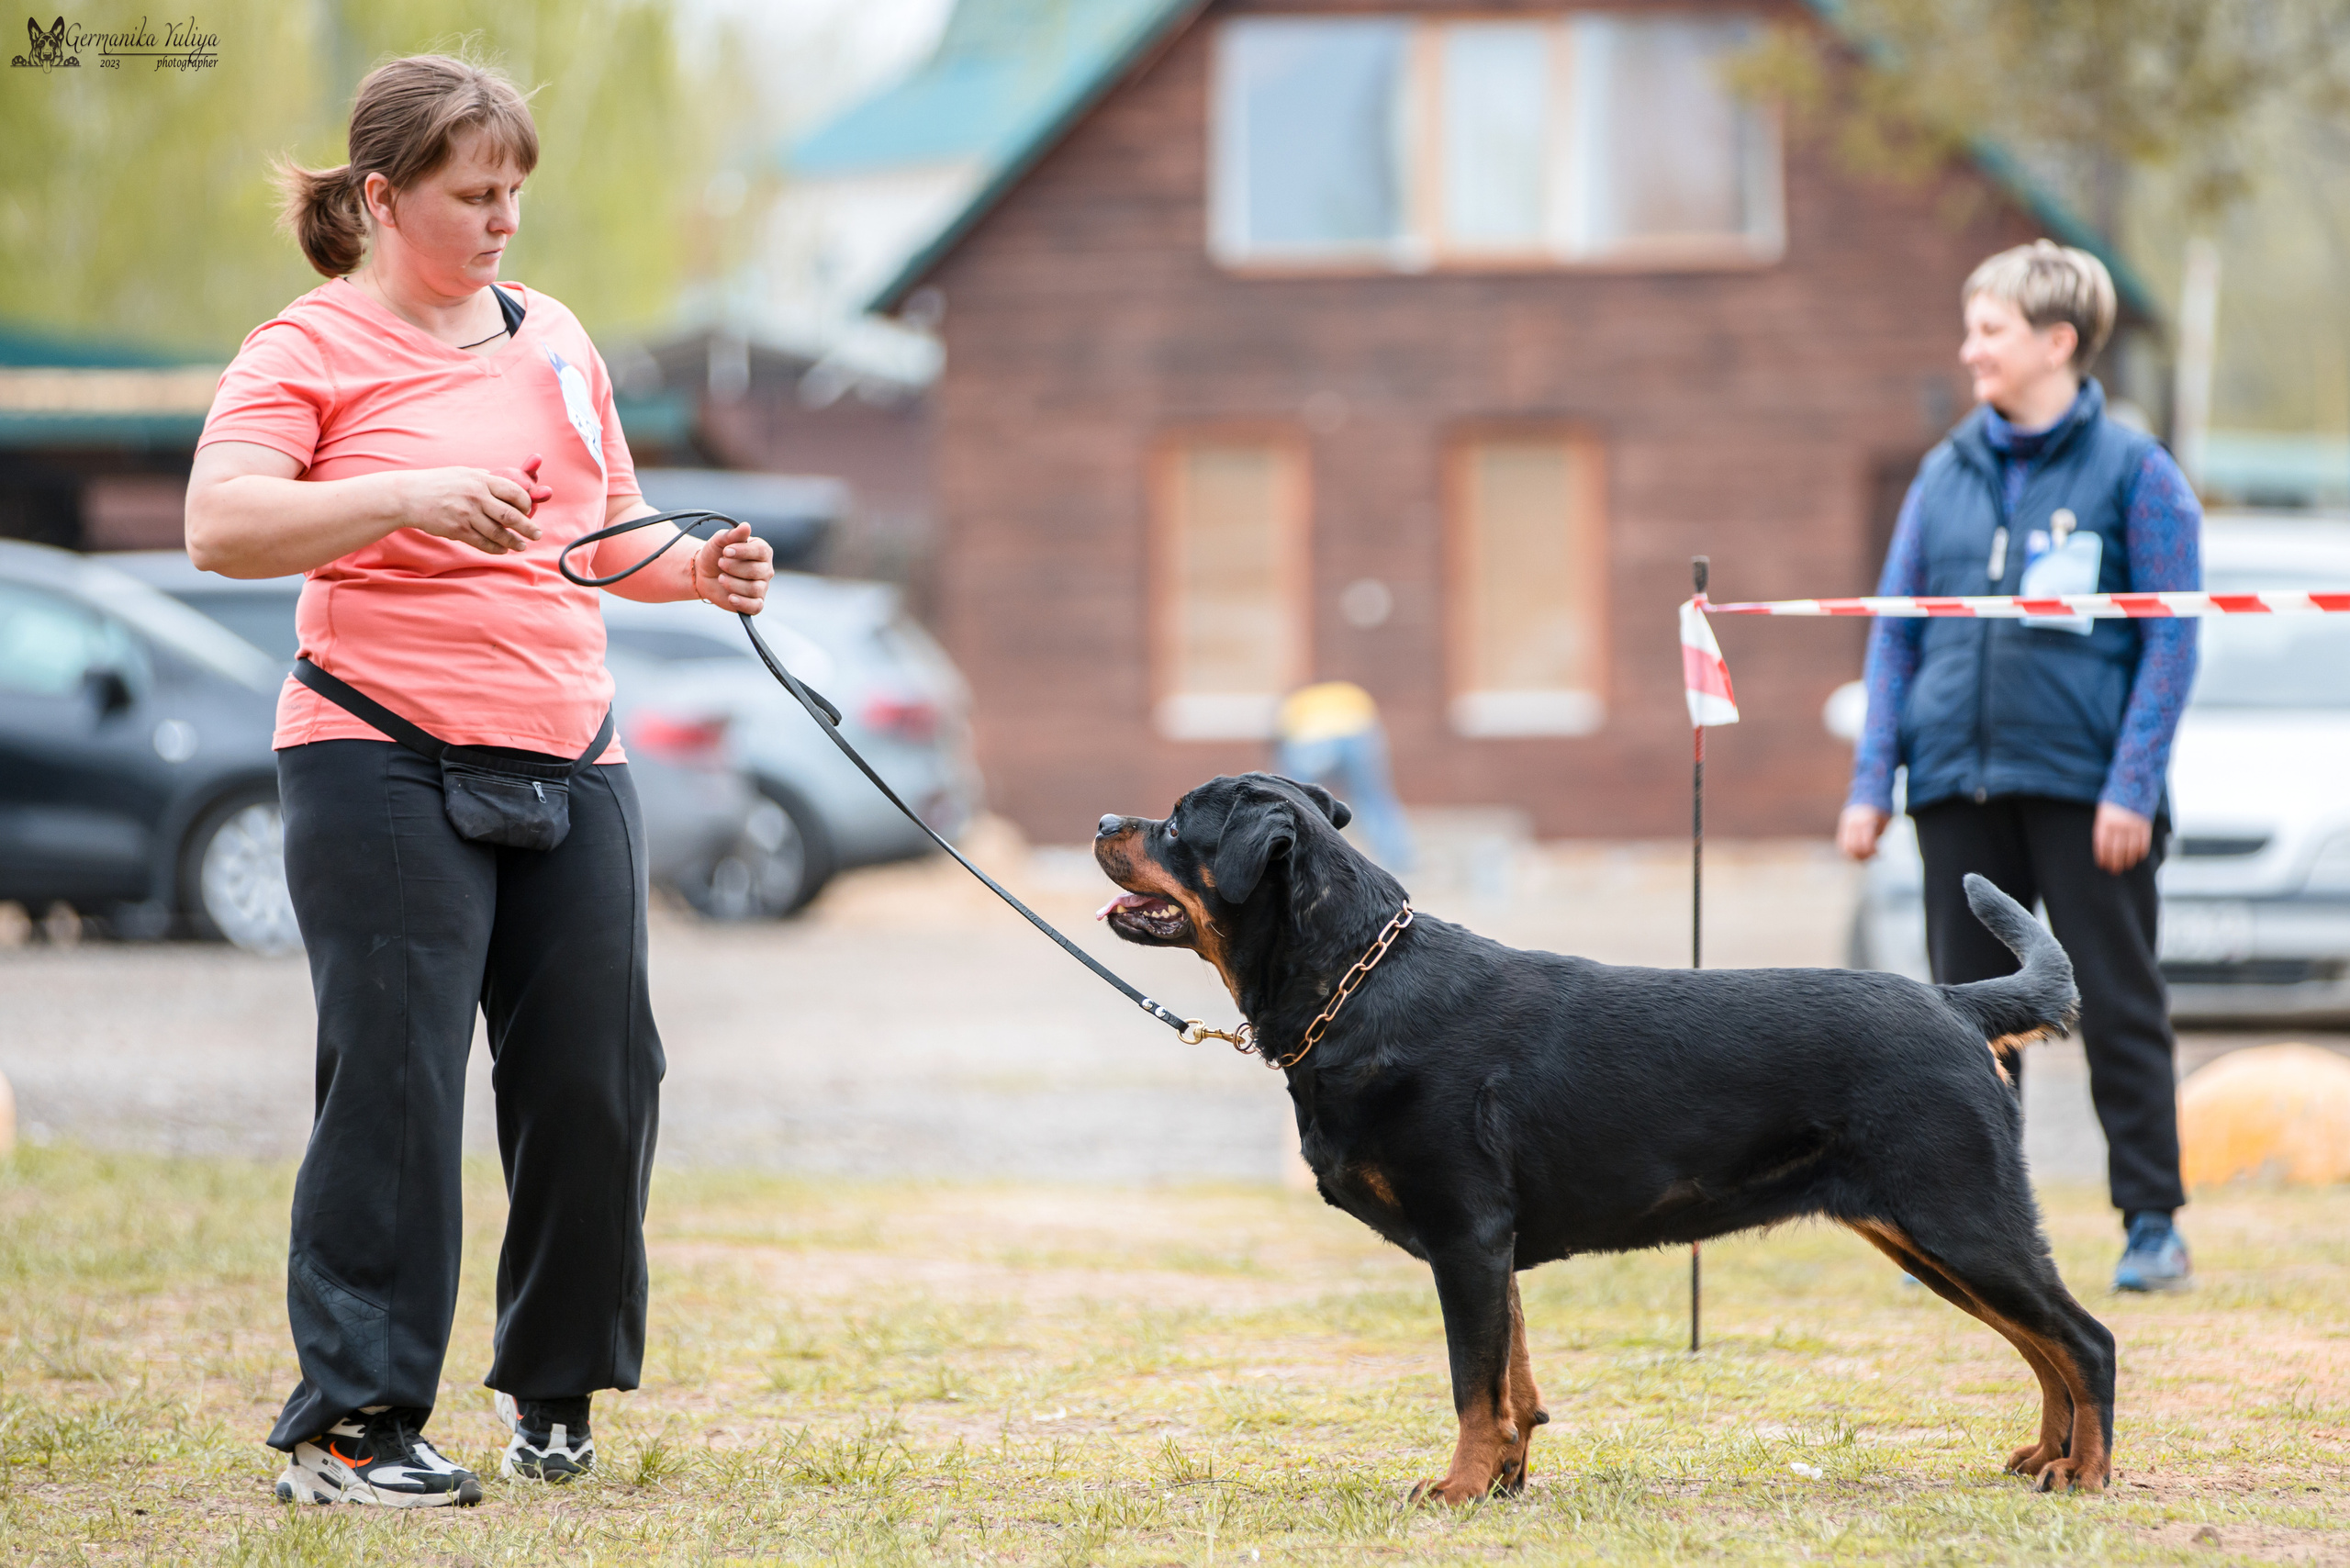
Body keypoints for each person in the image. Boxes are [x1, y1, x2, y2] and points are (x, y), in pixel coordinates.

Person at [185, 54, 776, 1505]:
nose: (506, 217)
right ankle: (351, 1426)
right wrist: (397, 495)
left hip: (570, 747)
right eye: (474, 193)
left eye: (516, 190)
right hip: (375, 744)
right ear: (383, 198)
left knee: (597, 1075)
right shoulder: (305, 347)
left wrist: (695, 571)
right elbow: (219, 524)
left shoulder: (556, 337)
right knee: (393, 1079)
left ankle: (555, 1393)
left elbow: (606, 524)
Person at [1838, 241, 2199, 1294]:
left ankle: (2151, 1223)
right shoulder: (1942, 472)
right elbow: (1895, 633)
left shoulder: (2137, 472)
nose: (1969, 350)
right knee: (1961, 1026)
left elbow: (2171, 640)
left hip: (2089, 795)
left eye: (1988, 330)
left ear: (2057, 341)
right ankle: (1958, 1225)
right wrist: (1873, 781)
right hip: (1953, 784)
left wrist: (2131, 783)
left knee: (2117, 1008)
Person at [1274, 680, 1415, 872]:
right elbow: (1373, 729)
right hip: (1357, 737)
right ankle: (1400, 862)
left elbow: (1282, 741)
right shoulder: (1353, 693)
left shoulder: (1296, 702)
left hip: (1312, 741)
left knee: (1297, 802)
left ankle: (1293, 862)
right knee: (1372, 800)